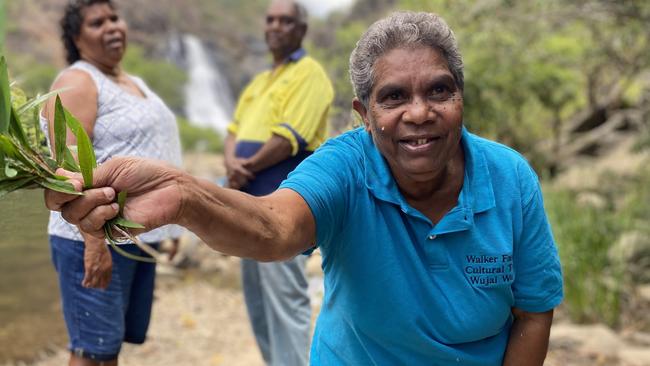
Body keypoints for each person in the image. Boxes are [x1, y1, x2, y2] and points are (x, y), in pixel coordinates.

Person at [46, 11, 563, 365]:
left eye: (439, 90)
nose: (420, 113)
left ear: (460, 97)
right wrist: (185, 196)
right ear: (364, 115)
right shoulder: (345, 163)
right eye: (393, 97)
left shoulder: (510, 178)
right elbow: (273, 227)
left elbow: (533, 312)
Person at [40, 0, 183, 365]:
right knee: (92, 351)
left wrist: (175, 221)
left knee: (109, 347)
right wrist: (93, 243)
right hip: (91, 237)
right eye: (96, 22)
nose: (112, 27)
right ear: (77, 37)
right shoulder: (77, 82)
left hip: (131, 236)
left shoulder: (133, 82)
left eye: (114, 18)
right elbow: (69, 172)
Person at [223, 0, 333, 364]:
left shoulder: (310, 73)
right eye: (271, 20)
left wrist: (245, 167)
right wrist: (230, 162)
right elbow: (233, 131)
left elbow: (290, 139)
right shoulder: (259, 81)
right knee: (257, 301)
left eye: (286, 20)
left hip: (282, 208)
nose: (276, 26)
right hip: (246, 204)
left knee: (286, 300)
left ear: (301, 29)